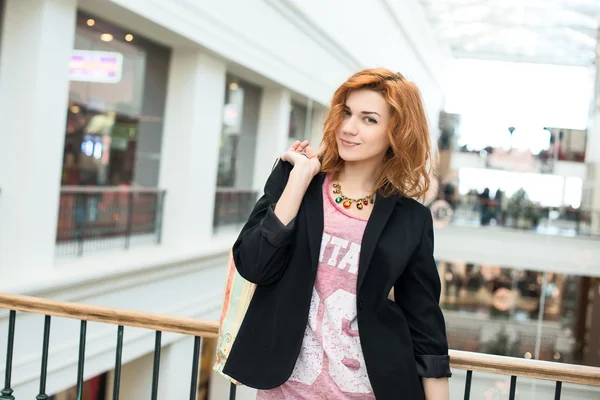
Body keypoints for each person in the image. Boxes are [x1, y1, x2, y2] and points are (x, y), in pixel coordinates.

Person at [222, 68, 451, 400]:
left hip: (369, 389)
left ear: (396, 133)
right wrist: (299, 181)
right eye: (347, 113)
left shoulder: (411, 220)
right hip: (286, 390)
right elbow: (253, 264)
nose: (348, 127)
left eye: (368, 119)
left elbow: (424, 321)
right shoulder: (296, 180)